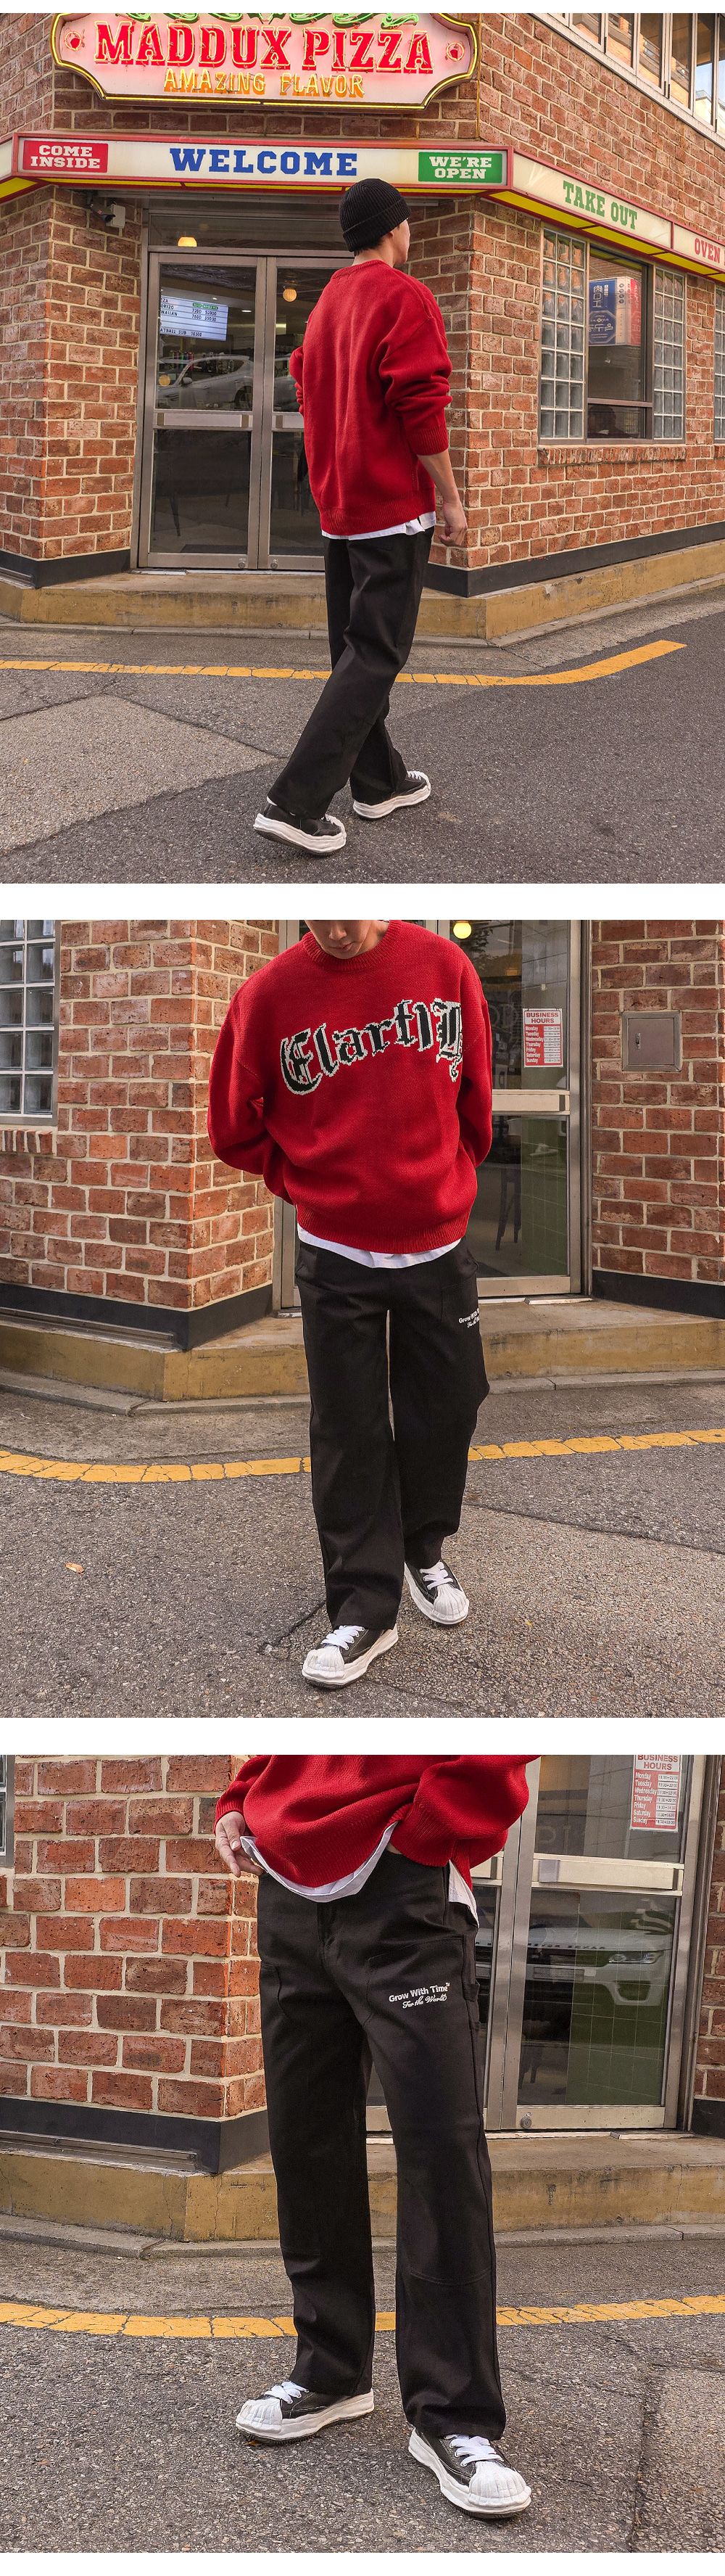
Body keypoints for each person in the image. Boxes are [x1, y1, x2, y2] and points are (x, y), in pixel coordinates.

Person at [215, 1755, 532, 2522]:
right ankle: (330, 2370)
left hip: (401, 1886)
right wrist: (242, 1796)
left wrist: (423, 1830)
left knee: (440, 2151)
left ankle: (452, 2411)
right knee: (306, 2140)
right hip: (286, 1887)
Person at [207, 917, 492, 1690]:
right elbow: (232, 1127)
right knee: (348, 1426)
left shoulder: (443, 966)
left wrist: (445, 1181)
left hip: (436, 1243)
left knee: (449, 1407)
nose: (336, 927)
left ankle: (423, 1548)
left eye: (352, 911)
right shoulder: (267, 995)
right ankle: (364, 1606)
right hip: (336, 1252)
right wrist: (305, 1179)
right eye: (318, 913)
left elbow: (475, 1098)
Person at [254, 177, 467, 855]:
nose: (411, 232)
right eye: (407, 223)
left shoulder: (326, 304)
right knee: (375, 653)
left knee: (355, 654)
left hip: (340, 509)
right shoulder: (405, 296)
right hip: (391, 509)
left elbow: (305, 385)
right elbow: (421, 409)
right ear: (394, 227)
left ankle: (379, 782)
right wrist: (450, 496)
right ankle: (296, 802)